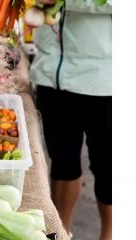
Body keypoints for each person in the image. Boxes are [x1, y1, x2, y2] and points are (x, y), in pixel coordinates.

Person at [29, 0, 112, 239]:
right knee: (63, 160)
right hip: (52, 74)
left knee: (108, 168)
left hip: (104, 79)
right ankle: (60, 231)